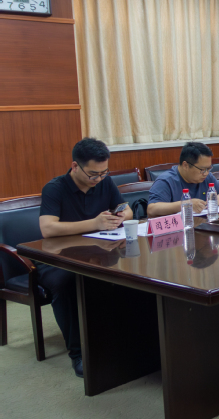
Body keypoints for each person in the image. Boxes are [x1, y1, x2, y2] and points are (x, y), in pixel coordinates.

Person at [39, 137, 133, 378]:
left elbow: (127, 209)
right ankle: (78, 353)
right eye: (93, 174)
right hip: (58, 258)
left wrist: (119, 216)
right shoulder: (55, 188)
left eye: (104, 173)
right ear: (75, 166)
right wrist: (95, 223)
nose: (99, 179)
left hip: (97, 252)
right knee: (67, 282)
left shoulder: (106, 182)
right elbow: (48, 228)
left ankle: (123, 340)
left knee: (129, 270)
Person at [147, 142, 219, 218]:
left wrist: (214, 201)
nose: (206, 173)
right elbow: (152, 209)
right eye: (202, 169)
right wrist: (186, 204)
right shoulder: (166, 180)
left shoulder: (207, 177)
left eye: (208, 169)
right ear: (185, 165)